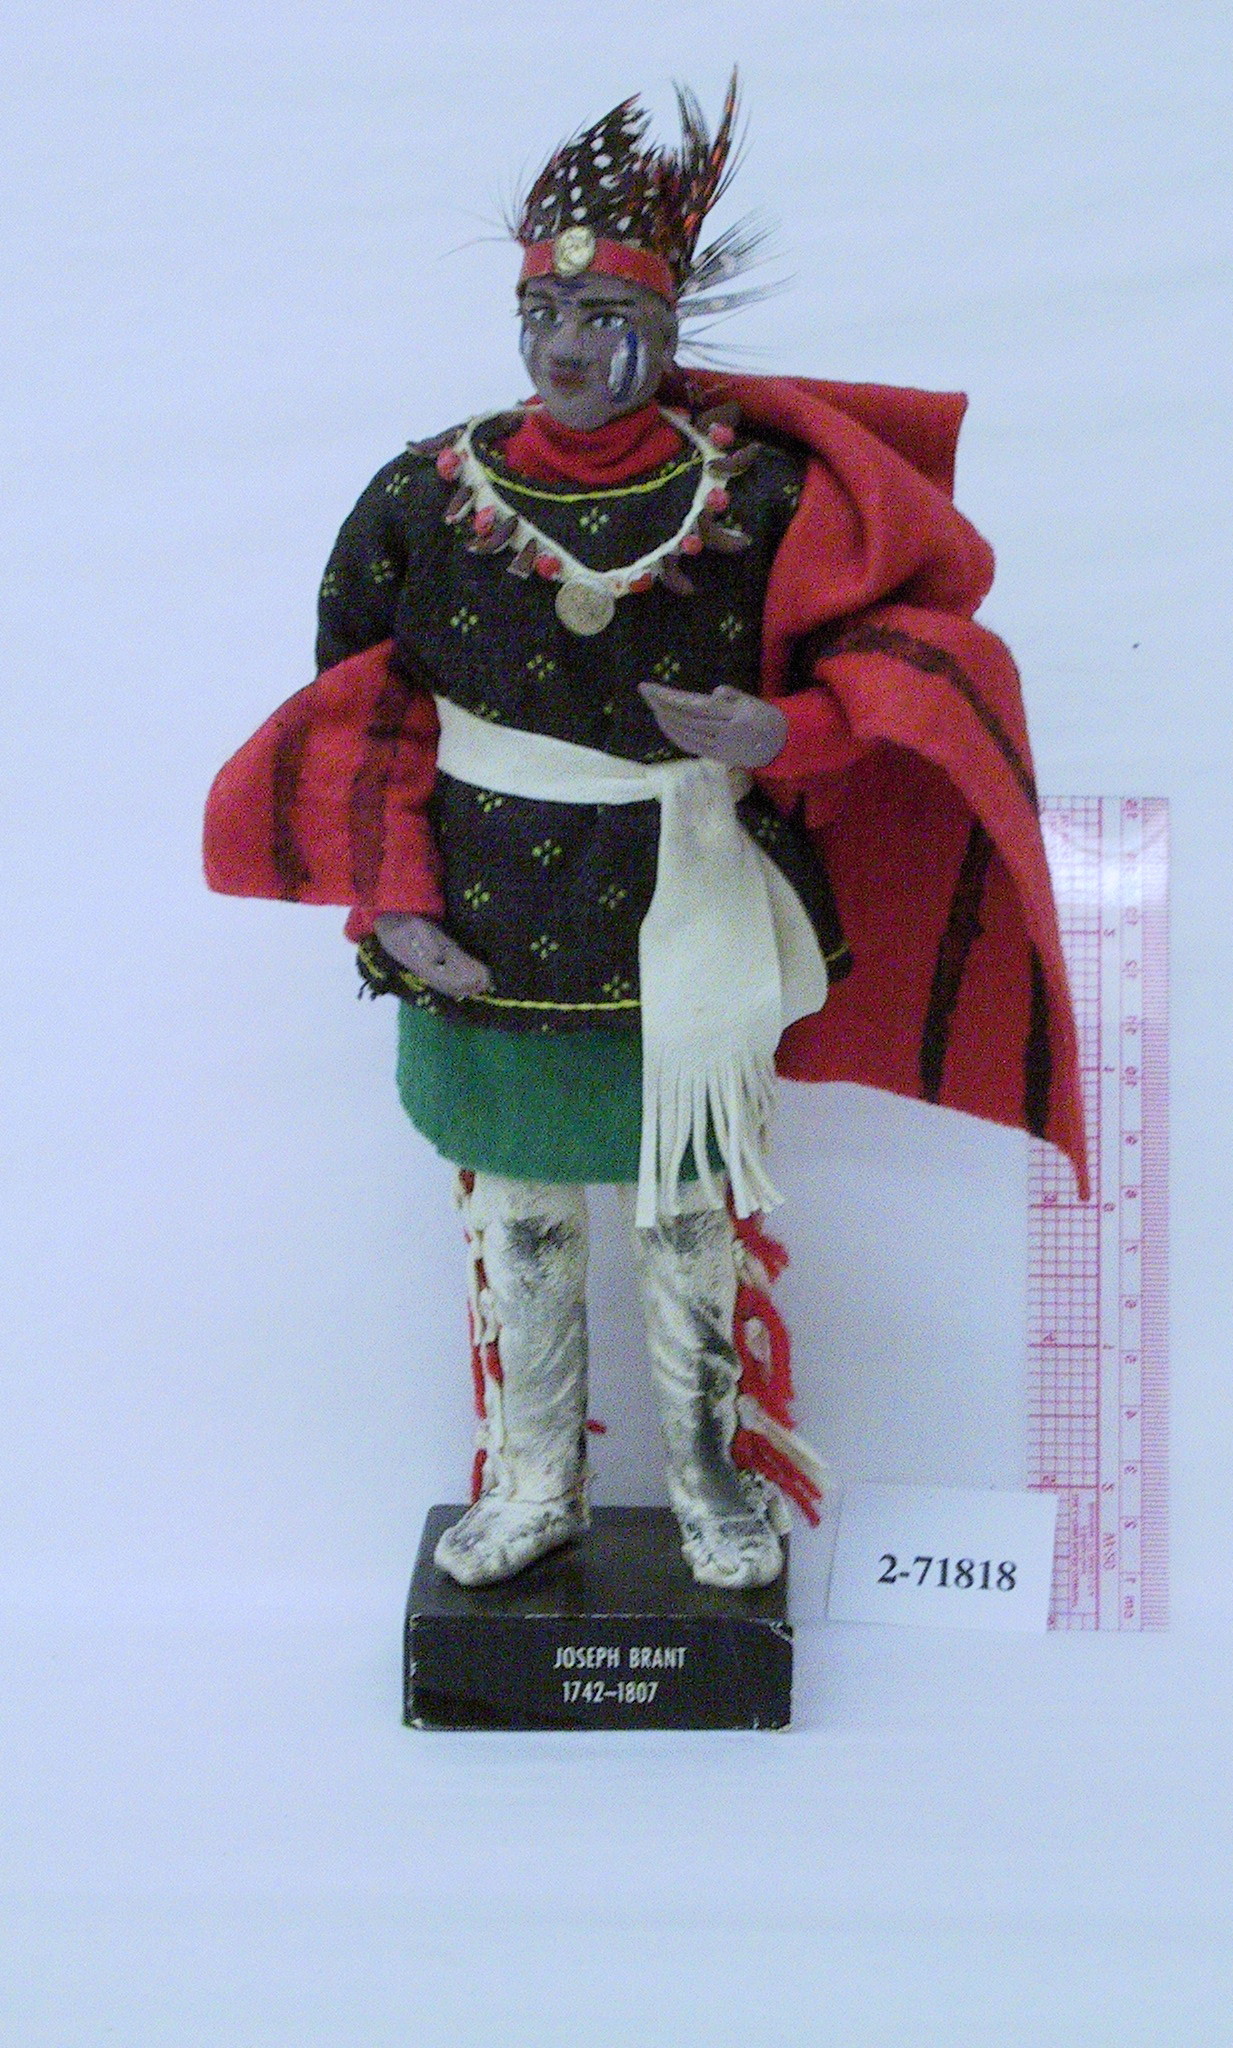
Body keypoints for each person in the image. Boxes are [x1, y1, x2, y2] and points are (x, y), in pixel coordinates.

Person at [205, 80, 1088, 1597]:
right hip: (485, 936)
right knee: (521, 1227)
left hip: (689, 925)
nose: (566, 343)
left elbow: (907, 660)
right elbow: (366, 719)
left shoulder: (764, 500)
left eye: (605, 313)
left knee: (689, 1226)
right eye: (543, 310)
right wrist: (393, 905)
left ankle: (710, 1485)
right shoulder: (423, 499)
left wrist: (782, 734)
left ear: (667, 329)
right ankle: (532, 1482)